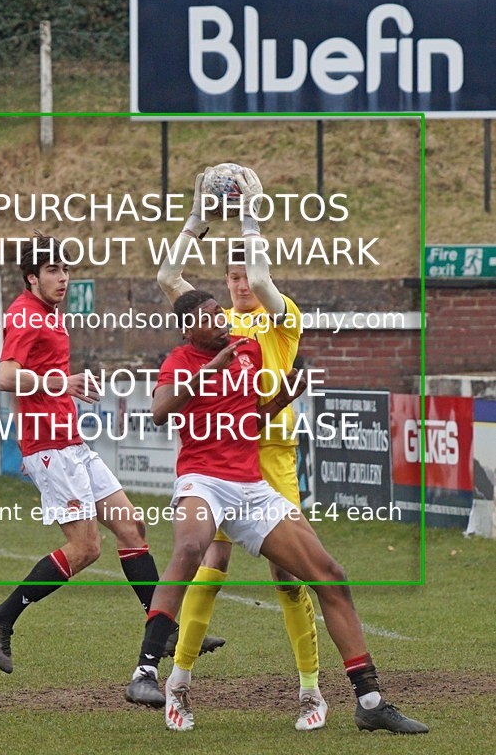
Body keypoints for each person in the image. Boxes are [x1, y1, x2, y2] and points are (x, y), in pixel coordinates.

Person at [124, 290, 428, 735]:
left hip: (250, 485)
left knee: (330, 575)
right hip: (201, 480)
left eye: (219, 311)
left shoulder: (247, 349)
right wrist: (209, 371)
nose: (221, 318)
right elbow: (159, 411)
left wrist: (282, 400)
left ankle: (370, 700)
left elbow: (250, 421)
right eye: (209, 316)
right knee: (191, 548)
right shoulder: (179, 360)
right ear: (189, 329)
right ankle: (146, 674)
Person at [155, 166, 328, 730]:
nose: (239, 284)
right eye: (230, 277)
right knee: (212, 564)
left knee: (289, 577)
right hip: (228, 459)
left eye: (246, 275)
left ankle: (310, 692)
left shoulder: (282, 320)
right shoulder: (220, 327)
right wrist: (199, 219)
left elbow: (259, 269)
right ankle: (177, 683)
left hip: (273, 460)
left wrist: (249, 213)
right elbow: (167, 275)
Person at [0, 233, 164, 673]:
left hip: (70, 441)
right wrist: (65, 384)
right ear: (32, 277)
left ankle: (164, 628)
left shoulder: (52, 313)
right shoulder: (25, 314)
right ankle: (1, 617)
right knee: (85, 548)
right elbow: (5, 377)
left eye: (66, 270)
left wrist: (70, 389)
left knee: (132, 527)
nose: (63, 279)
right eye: (54, 272)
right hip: (48, 448)